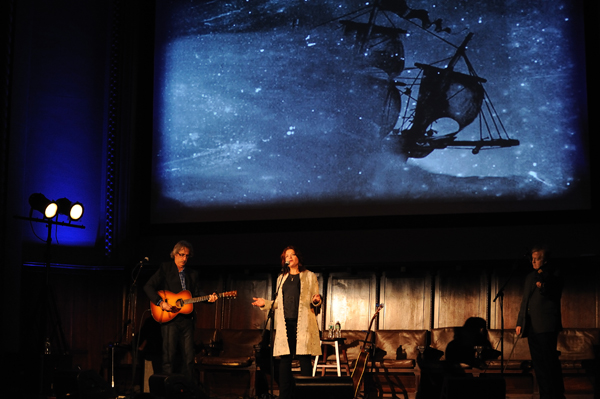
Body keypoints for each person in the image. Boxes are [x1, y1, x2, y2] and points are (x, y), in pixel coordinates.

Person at [252, 246, 322, 399]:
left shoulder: (309, 276)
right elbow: (278, 303)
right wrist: (265, 303)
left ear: (298, 258)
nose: (288, 258)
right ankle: (284, 395)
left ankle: (306, 395)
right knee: (285, 360)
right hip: (285, 324)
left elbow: (315, 298)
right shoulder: (281, 278)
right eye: (286, 256)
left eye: (292, 255)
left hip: (303, 324)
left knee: (304, 358)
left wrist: (316, 300)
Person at [143, 240, 218, 383]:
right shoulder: (166, 268)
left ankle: (187, 390)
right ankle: (167, 390)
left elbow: (196, 294)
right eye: (181, 255)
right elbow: (148, 287)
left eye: (187, 256)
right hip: (169, 318)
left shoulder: (192, 274)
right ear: (174, 253)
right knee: (168, 358)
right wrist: (161, 303)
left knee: (189, 359)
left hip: (187, 321)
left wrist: (208, 298)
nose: (184, 259)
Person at [516, 245, 565, 399]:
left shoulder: (554, 273)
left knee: (549, 362)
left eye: (537, 259)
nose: (533, 261)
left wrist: (543, 286)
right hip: (532, 326)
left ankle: (556, 394)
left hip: (546, 325)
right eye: (532, 259)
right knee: (538, 364)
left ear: (545, 260)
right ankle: (545, 395)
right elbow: (525, 301)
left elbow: (554, 293)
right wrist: (520, 322)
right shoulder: (530, 277)